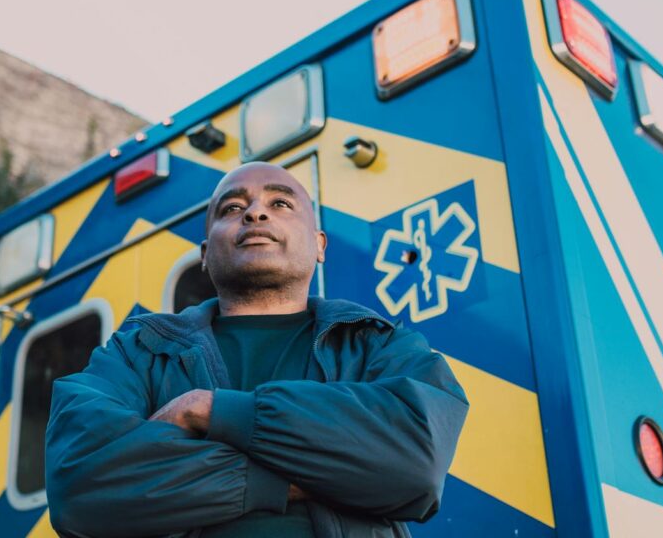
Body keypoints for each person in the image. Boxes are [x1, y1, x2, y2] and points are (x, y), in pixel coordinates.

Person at [45, 162, 469, 538]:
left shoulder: (376, 343)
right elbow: (79, 487)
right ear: (206, 255)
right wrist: (298, 476)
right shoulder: (138, 351)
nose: (254, 212)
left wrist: (209, 411)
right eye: (232, 208)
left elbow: (415, 464)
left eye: (281, 203)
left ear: (320, 246)